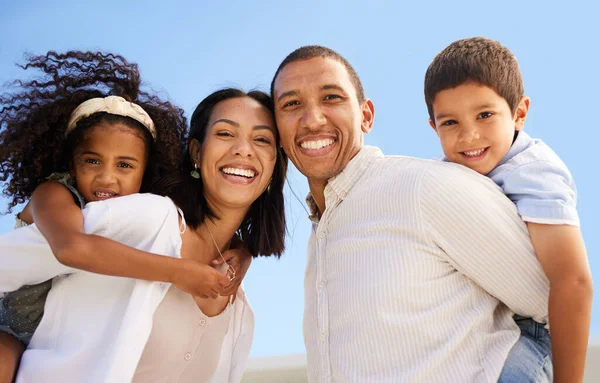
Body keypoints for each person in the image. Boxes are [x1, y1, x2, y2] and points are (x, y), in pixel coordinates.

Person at [270, 45, 552, 382]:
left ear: (366, 116)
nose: (313, 119)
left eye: (331, 98)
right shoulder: (322, 236)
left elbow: (550, 300)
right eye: (291, 104)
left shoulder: (426, 186)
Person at [1, 52, 281, 382]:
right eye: (224, 133)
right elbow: (40, 253)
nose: (243, 149)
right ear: (195, 152)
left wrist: (243, 250)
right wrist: (177, 272)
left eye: (262, 139)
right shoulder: (143, 216)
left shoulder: (236, 288)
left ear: (276, 164)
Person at [424, 37, 592, 382]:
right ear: (433, 127)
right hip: (473, 326)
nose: (469, 136)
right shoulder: (445, 175)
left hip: (527, 334)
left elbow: (572, 280)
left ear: (519, 113)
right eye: (450, 123)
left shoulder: (533, 171)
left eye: (485, 115)